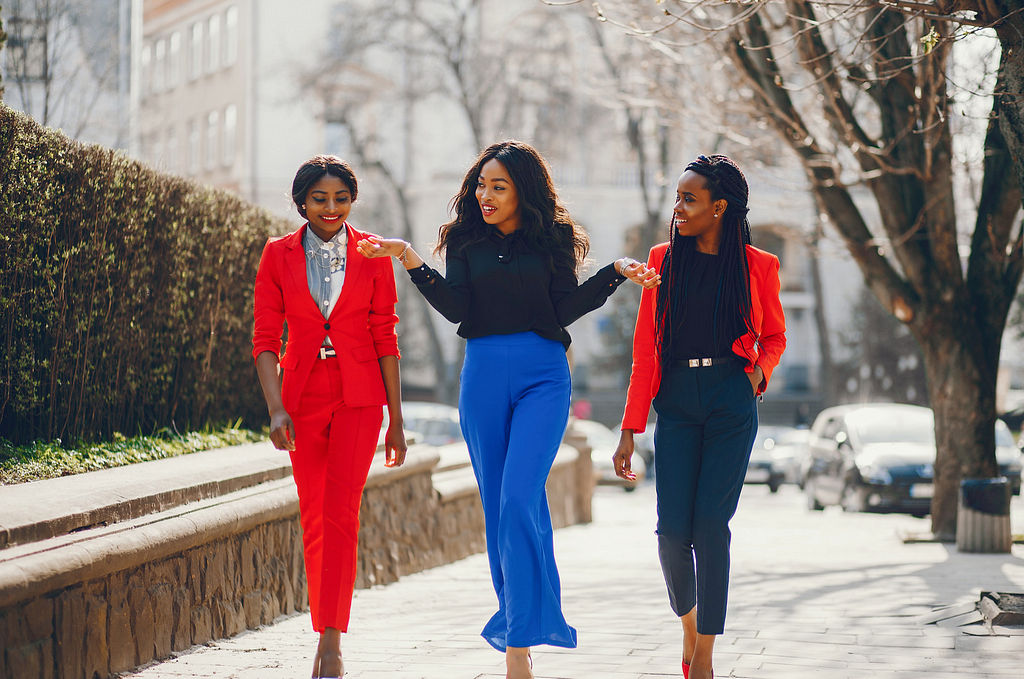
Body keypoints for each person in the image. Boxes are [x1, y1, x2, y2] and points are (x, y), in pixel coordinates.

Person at [357, 140, 659, 679]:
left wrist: (614, 272)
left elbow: (565, 307)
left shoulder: (555, 239)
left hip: (544, 374)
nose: (486, 195)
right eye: (481, 185)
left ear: (524, 189)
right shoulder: (465, 240)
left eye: (499, 186)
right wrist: (408, 258)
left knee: (520, 497)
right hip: (483, 377)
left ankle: (520, 632)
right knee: (499, 509)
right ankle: (518, 641)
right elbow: (458, 309)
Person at [613, 154, 786, 679]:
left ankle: (705, 652)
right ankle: (688, 625)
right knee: (671, 532)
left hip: (731, 396)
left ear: (720, 206)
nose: (679, 208)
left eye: (690, 198)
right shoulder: (662, 260)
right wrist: (629, 429)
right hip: (677, 401)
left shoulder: (760, 266)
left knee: (711, 527)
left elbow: (773, 336)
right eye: (678, 197)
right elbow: (646, 349)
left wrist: (757, 374)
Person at [252, 155, 407, 679]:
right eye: (320, 198)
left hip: (361, 398)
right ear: (301, 202)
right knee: (315, 516)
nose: (331, 208)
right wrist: (275, 408)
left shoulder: (373, 253)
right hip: (301, 399)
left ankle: (333, 642)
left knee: (341, 513)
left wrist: (398, 423)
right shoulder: (277, 254)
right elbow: (265, 339)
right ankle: (323, 629)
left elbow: (387, 336)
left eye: (341, 198)